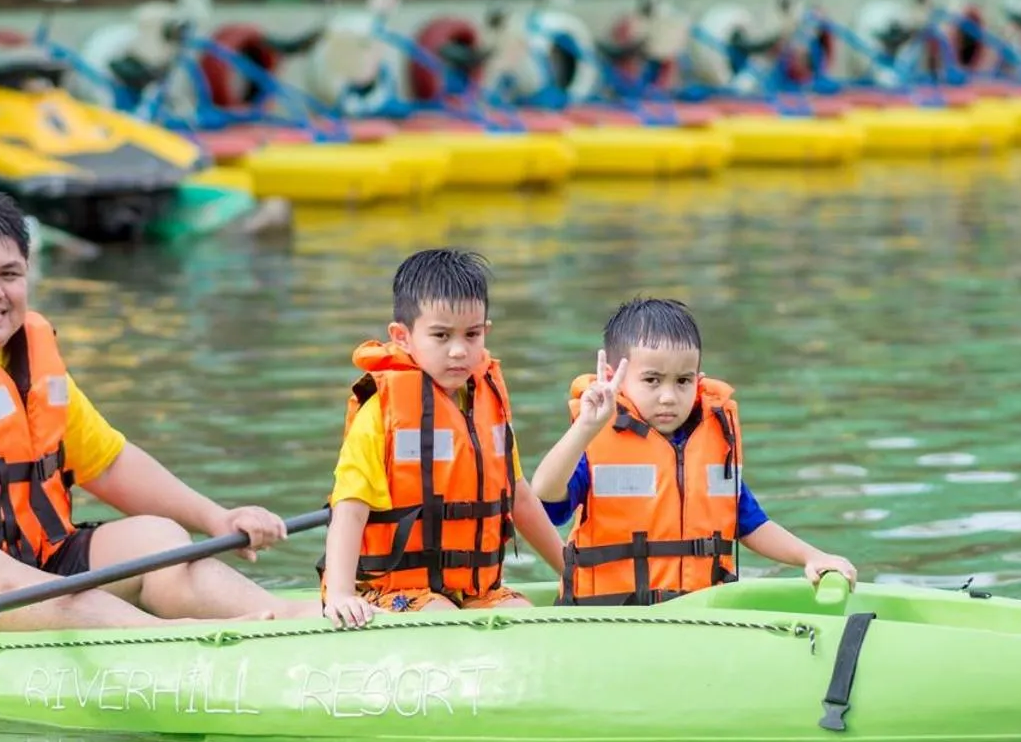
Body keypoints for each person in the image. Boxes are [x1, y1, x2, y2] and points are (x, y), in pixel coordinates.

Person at [0, 175, 318, 629]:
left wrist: (216, 517)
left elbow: (106, 462)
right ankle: (167, 638)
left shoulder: (25, 357)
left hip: (28, 569)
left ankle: (288, 620)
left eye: (9, 275)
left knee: (158, 536)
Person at [532, 297, 855, 606]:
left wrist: (812, 556)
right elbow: (544, 497)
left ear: (698, 381)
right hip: (614, 620)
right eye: (652, 380)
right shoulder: (594, 442)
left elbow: (753, 524)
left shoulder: (713, 443)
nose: (669, 396)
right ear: (612, 378)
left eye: (682, 381)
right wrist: (585, 428)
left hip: (699, 621)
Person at [319, 248, 565, 630]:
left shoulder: (489, 402)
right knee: (442, 621)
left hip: (476, 590)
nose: (458, 350)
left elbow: (519, 496)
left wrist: (570, 567)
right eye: (441, 335)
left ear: (486, 331)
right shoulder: (380, 415)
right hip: (393, 592)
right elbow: (349, 509)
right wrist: (338, 595)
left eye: (472, 334)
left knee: (523, 620)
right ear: (402, 337)